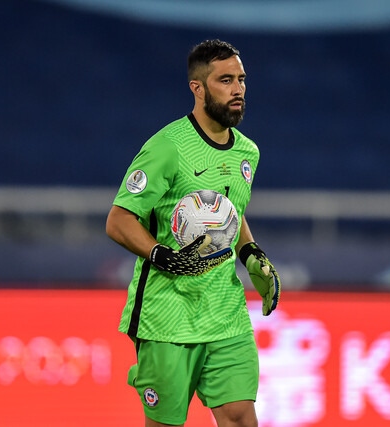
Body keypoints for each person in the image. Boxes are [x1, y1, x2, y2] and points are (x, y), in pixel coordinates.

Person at [106, 39, 281, 427]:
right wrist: (161, 255)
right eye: (225, 80)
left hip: (225, 313)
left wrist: (251, 252)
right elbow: (118, 220)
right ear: (197, 88)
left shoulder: (246, 153)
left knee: (240, 417)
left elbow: (228, 215)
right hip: (166, 315)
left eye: (241, 79)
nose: (238, 89)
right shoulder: (167, 148)